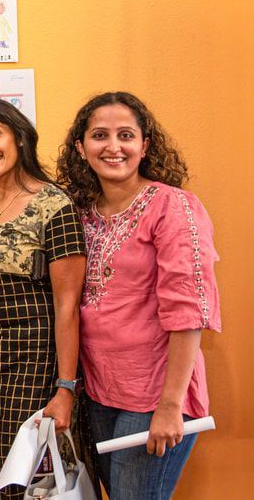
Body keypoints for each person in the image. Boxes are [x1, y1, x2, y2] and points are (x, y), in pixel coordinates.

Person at [56, 92, 221, 499]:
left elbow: (188, 311)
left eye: (125, 135)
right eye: (100, 135)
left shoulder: (173, 207)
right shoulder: (80, 213)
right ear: (81, 147)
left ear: (144, 145)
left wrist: (170, 404)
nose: (113, 147)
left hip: (153, 396)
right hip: (98, 393)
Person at [0, 98, 86, 500]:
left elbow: (67, 307)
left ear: (20, 138)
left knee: (22, 479)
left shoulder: (54, 206)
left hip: (33, 360)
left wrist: (65, 389)